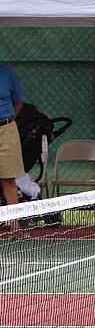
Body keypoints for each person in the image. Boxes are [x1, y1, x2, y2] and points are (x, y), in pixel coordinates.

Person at [0, 63, 24, 232]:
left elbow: (18, 103)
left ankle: (15, 227)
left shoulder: (7, 72)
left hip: (6, 130)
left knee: (8, 178)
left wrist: (5, 122)